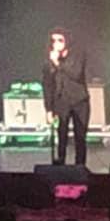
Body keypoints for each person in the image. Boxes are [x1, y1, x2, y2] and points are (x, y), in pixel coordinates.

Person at [42, 28, 89, 166]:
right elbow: (47, 85)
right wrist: (48, 109)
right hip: (61, 102)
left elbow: (76, 74)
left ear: (66, 40)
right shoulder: (49, 60)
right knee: (61, 136)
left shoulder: (77, 55)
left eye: (60, 40)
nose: (56, 43)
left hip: (80, 101)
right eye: (53, 40)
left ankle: (80, 167)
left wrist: (58, 63)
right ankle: (60, 165)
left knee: (80, 137)